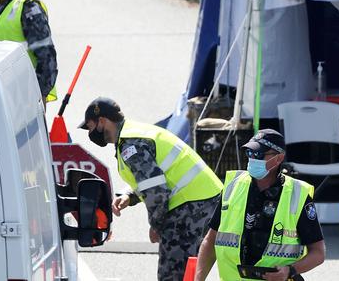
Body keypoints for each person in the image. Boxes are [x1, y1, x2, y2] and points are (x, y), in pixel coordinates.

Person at [79, 97, 223, 281]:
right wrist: (130, 196)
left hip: (191, 206)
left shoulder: (131, 145)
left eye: (90, 126)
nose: (90, 132)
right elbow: (153, 178)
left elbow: (156, 192)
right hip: (203, 200)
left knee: (173, 275)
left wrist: (156, 225)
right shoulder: (135, 133)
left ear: (102, 121)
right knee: (188, 272)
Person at [194, 129, 325, 281]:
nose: (252, 158)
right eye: (249, 153)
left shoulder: (298, 194)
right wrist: (198, 279)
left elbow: (318, 253)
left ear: (278, 158)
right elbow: (210, 241)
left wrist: (290, 271)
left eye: (258, 154)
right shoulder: (233, 186)